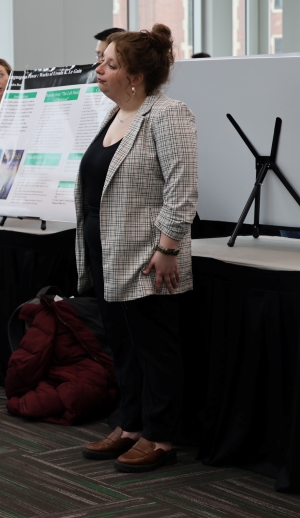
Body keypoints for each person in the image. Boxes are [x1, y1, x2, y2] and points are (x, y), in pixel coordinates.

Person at [75, 24, 197, 473]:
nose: (99, 69)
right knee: (123, 346)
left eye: (109, 63)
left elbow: (183, 188)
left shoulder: (168, 113)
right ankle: (130, 425)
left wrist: (167, 247)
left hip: (149, 257)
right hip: (108, 252)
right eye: (101, 61)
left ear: (135, 76)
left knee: (154, 348)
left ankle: (161, 437)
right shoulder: (114, 116)